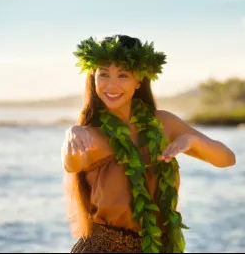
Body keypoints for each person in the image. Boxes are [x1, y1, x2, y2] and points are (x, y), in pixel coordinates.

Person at [61, 34, 236, 253]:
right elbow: (72, 165)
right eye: (103, 74)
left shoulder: (164, 123)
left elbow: (227, 159)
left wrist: (192, 140)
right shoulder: (90, 135)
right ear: (93, 78)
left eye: (123, 75)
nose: (111, 84)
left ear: (138, 81)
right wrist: (72, 133)